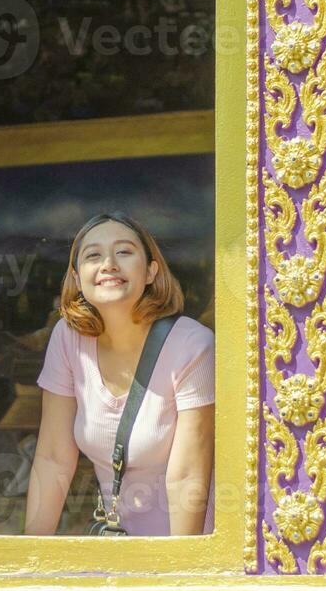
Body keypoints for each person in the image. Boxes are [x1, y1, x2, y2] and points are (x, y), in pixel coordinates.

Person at [24, 213, 215, 536]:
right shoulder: (68, 339)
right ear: (76, 276)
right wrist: (28, 562)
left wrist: (180, 576)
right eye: (93, 256)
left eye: (124, 252)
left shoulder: (192, 345)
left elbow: (186, 477)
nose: (109, 263)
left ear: (151, 271)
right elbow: (53, 458)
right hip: (116, 550)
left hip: (182, 551)